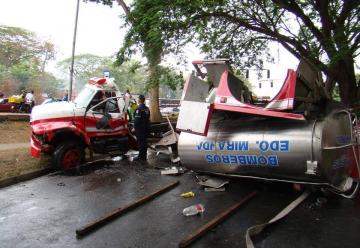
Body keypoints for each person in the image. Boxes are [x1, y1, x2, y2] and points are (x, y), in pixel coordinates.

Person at [133, 94, 150, 161]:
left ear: (139, 100)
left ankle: (140, 157)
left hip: (140, 129)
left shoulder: (139, 109)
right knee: (144, 142)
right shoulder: (147, 109)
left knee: (140, 143)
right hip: (146, 128)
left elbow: (137, 120)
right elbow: (148, 118)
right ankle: (144, 155)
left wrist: (134, 128)